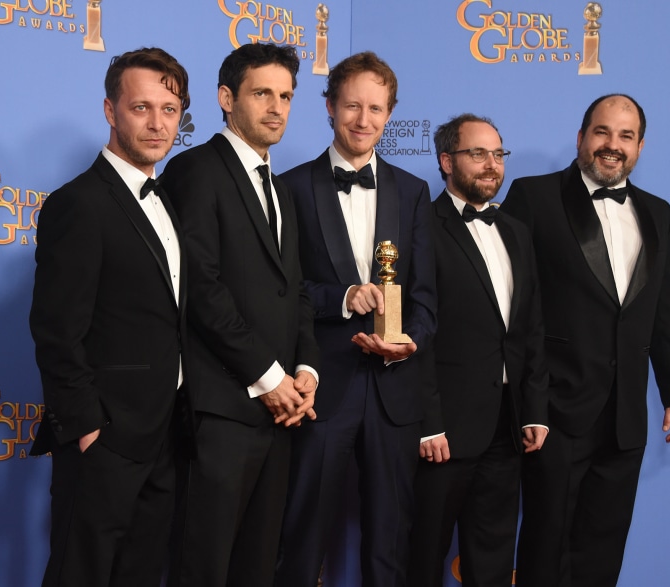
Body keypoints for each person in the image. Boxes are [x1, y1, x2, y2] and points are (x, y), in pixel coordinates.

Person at [501, 94, 670, 587]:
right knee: (546, 545)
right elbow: (511, 305)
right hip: (555, 409)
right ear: (581, 138)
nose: (613, 145)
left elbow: (665, 306)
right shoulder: (534, 196)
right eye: (602, 132)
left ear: (640, 146)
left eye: (625, 136)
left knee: (603, 549)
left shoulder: (658, 212)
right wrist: (526, 399)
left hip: (624, 414)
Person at [274, 51, 437, 587]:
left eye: (376, 108)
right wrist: (343, 298)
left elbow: (426, 297)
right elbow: (282, 290)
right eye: (351, 106)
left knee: (390, 541)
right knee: (302, 537)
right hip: (322, 385)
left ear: (389, 114)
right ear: (328, 107)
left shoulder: (413, 193)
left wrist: (409, 340)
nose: (363, 120)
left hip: (395, 396)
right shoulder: (291, 188)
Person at [159, 43, 319, 587]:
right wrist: (268, 376)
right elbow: (202, 289)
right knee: (203, 564)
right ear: (227, 98)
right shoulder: (195, 170)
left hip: (279, 412)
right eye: (262, 94)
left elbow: (293, 290)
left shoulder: (279, 187)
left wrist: (306, 373)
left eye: (286, 97)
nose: (276, 108)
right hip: (222, 408)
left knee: (257, 565)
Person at [29, 47, 190, 586]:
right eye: (141, 107)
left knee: (141, 574)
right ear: (110, 110)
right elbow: (56, 330)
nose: (156, 123)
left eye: (169, 110)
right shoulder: (79, 203)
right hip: (106, 436)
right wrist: (87, 429)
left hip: (166, 433)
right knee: (82, 573)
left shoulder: (167, 202)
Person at [408, 114, 549, 587]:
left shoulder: (516, 231)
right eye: (477, 153)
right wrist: (429, 424)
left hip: (506, 431)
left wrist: (533, 412)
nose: (491, 165)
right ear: (447, 161)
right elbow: (415, 333)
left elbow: (528, 328)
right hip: (442, 434)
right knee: (421, 557)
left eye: (498, 153)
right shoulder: (421, 226)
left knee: (490, 563)